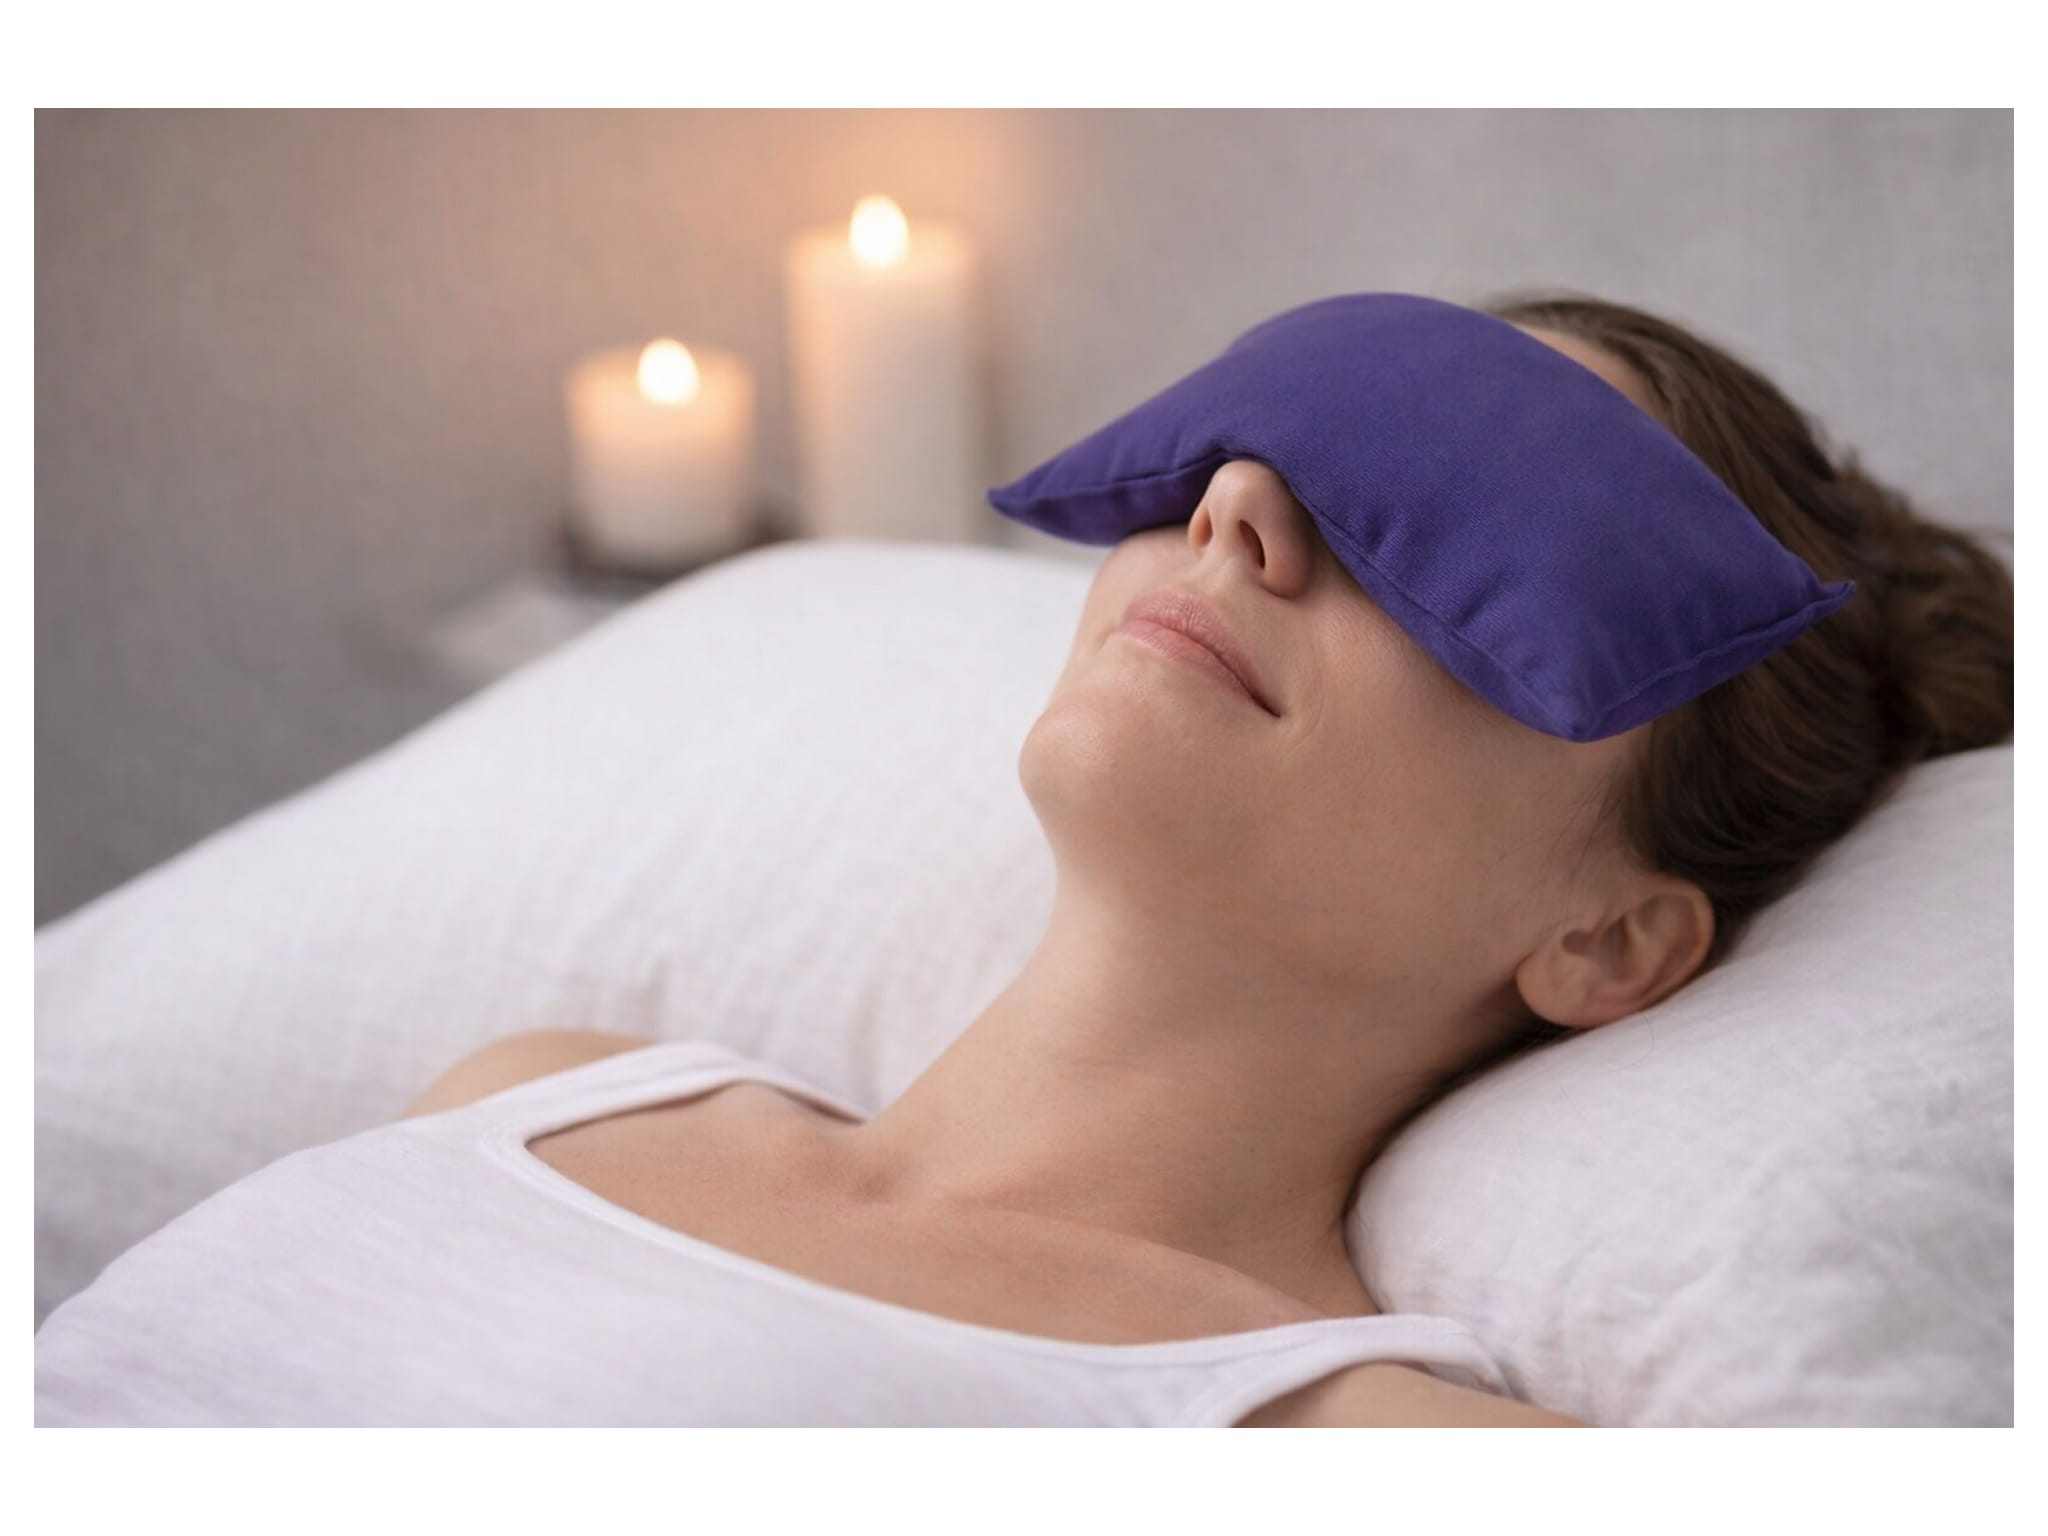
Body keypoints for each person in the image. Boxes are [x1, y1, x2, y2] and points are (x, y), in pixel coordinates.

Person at [35, 293, 2014, 1428]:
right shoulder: (543, 1094)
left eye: (1458, 539)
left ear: (1612, 941)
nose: (1240, 511)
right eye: (1272, 439)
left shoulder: (1368, 1455)